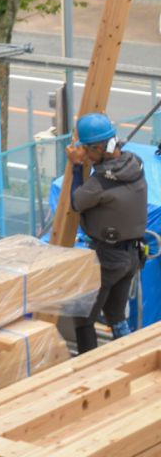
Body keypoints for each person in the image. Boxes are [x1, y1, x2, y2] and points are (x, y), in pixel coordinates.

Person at [65, 111, 148, 353]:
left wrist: (77, 167)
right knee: (116, 315)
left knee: (84, 318)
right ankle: (128, 355)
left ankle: (89, 370)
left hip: (110, 258)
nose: (88, 156)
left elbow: (77, 202)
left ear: (101, 147)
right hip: (131, 256)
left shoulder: (102, 182)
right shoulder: (134, 164)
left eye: (89, 151)